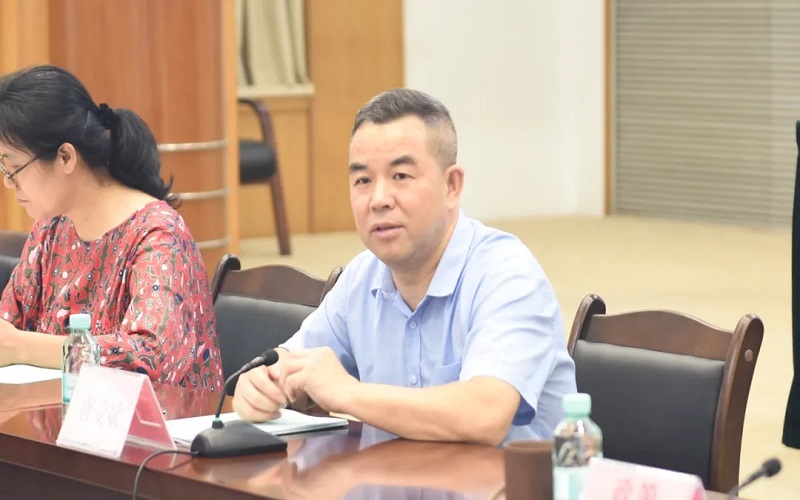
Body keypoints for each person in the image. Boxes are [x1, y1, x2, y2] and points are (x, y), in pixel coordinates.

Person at [232, 88, 576, 444]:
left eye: (400, 176)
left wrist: (348, 393)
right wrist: (261, 385)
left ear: (452, 185)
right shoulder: (362, 277)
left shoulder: (507, 275)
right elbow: (292, 365)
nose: (379, 199)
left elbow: (485, 415)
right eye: (363, 181)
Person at [0, 65, 223, 391]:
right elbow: (8, 326)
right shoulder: (50, 230)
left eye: (14, 168)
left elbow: (149, 357)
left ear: (65, 157)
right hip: (65, 414)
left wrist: (23, 347)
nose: (9, 183)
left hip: (165, 420)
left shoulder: (158, 234)